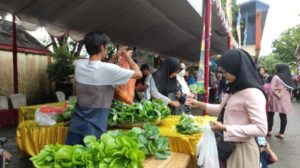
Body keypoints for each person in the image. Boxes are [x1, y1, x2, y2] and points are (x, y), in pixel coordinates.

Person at [186, 48, 267, 168]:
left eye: (226, 72)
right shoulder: (234, 89)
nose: (223, 75)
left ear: (237, 68)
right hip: (227, 147)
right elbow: (221, 108)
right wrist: (199, 104)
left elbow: (261, 128)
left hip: (242, 151)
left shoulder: (252, 93)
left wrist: (226, 128)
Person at [65, 32, 142, 145]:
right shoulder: (108, 69)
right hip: (94, 129)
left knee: (72, 160)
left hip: (75, 126)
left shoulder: (79, 65)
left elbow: (101, 69)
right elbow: (138, 74)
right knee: (90, 161)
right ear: (102, 47)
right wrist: (127, 57)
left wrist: (115, 57)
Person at [267, 64, 293, 139]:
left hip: (275, 98)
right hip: (285, 99)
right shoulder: (288, 78)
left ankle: (269, 131)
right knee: (283, 115)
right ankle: (281, 133)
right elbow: (290, 89)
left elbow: (271, 89)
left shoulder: (276, 77)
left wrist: (269, 98)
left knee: (270, 114)